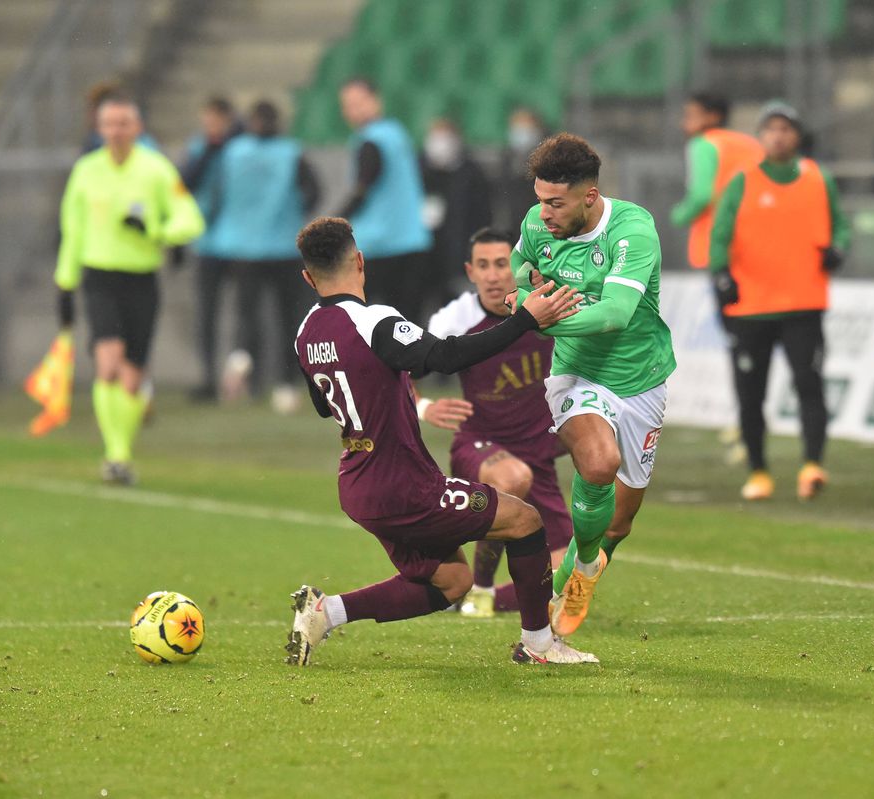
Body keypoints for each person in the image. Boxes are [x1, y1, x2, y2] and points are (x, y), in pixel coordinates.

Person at [284, 217, 595, 666]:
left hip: (357, 482)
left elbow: (323, 404)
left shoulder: (306, 332)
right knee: (524, 521)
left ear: (308, 277)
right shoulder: (373, 321)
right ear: (360, 261)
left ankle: (325, 612)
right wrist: (525, 320)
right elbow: (443, 357)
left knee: (451, 582)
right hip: (403, 484)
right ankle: (539, 645)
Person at [510, 133, 676, 638]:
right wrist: (523, 292)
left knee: (618, 524)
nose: (544, 214)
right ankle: (582, 569)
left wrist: (538, 321)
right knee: (600, 463)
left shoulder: (632, 231)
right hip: (576, 373)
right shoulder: (537, 224)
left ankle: (584, 568)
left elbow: (615, 314)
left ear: (590, 196)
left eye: (555, 203)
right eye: (540, 200)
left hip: (641, 378)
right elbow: (520, 267)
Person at [418, 228, 574, 618]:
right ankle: (482, 587)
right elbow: (399, 369)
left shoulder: (548, 308)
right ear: (470, 272)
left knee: (568, 580)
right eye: (483, 266)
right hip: (481, 447)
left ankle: (469, 597)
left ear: (519, 266)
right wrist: (422, 406)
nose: (492, 275)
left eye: (502, 264)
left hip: (538, 455)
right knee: (512, 477)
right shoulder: (455, 318)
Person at [54, 93, 205, 485]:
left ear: (137, 127)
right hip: (99, 276)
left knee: (132, 377)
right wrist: (65, 282)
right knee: (108, 362)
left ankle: (121, 450)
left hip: (141, 280)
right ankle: (116, 455)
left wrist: (156, 231)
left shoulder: (156, 170)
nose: (117, 131)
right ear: (99, 128)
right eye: (110, 123)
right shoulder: (86, 171)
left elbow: (190, 219)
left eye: (124, 123)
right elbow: (72, 227)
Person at [708, 101, 850, 501]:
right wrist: (721, 274)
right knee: (751, 394)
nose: (778, 136)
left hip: (804, 304)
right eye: (770, 129)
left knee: (809, 384)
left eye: (785, 129)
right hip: (751, 307)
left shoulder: (818, 178)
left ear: (798, 136)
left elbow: (841, 225)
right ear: (760, 136)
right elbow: (720, 234)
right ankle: (759, 471)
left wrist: (838, 249)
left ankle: (812, 465)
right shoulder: (743, 181)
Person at [212, 100, 320, 412]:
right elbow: (313, 192)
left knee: (247, 315)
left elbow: (218, 194)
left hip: (243, 247)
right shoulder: (291, 153)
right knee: (289, 319)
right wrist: (293, 213)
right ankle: (285, 384)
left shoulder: (233, 152)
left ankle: (246, 365)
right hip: (284, 246)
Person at [335, 77, 431, 322]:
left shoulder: (371, 141)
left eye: (359, 102)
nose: (354, 110)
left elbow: (363, 187)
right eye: (348, 105)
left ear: (376, 101)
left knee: (365, 324)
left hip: (380, 246)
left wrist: (335, 221)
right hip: (412, 240)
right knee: (408, 326)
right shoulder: (397, 133)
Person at [180, 96, 243, 401]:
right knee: (207, 313)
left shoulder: (241, 148)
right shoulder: (200, 148)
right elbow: (184, 181)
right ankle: (208, 376)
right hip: (207, 242)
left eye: (217, 122)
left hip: (239, 241)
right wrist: (208, 149)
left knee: (245, 312)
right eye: (207, 122)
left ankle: (242, 376)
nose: (212, 128)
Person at [669, 92, 764, 270]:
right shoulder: (750, 144)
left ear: (713, 116)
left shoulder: (702, 144)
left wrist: (680, 215)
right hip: (754, 244)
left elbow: (702, 195)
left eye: (690, 116)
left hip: (715, 245)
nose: (683, 123)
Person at [420, 118, 493, 311]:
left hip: (458, 255)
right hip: (424, 256)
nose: (440, 144)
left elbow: (483, 216)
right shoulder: (419, 169)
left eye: (445, 138)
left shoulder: (471, 173)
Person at [495, 107, 548, 230]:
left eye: (526, 128)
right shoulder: (507, 159)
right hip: (514, 226)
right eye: (517, 128)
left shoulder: (548, 159)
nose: (521, 133)